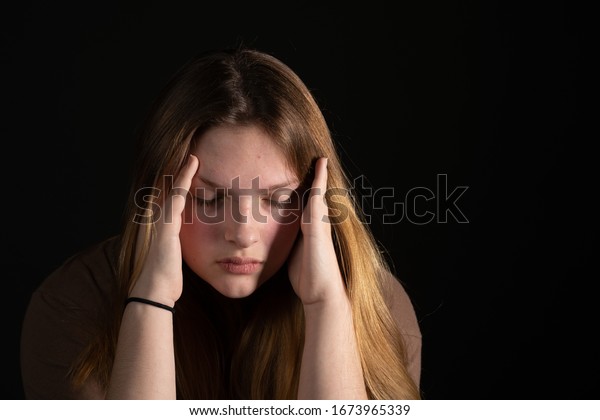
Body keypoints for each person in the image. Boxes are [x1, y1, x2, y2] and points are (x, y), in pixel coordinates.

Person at [20, 47, 422, 400]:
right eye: (210, 198)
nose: (243, 233)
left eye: (278, 200)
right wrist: (152, 299)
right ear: (159, 197)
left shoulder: (377, 306)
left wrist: (327, 306)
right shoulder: (76, 305)